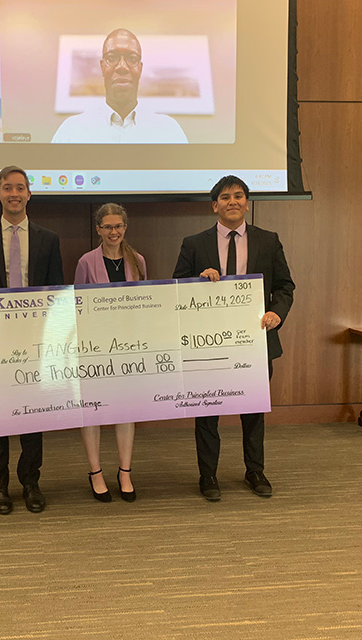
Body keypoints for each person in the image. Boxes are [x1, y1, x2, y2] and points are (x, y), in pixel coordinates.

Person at [172, 176, 295, 501]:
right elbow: (176, 287)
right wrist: (198, 280)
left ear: (247, 203)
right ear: (215, 205)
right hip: (209, 344)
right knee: (207, 414)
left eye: (239, 196)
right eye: (225, 197)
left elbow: (284, 286)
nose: (233, 202)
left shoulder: (268, 240)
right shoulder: (194, 243)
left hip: (254, 341)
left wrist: (277, 313)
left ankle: (255, 471)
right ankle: (208, 476)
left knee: (253, 413)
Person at [0, 166, 64, 515]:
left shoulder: (48, 239)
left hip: (35, 344)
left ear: (29, 194)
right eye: (7, 188)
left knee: (33, 416)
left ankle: (31, 483)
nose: (14, 194)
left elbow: (56, 293)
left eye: (20, 188)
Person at [73, 203, 147, 503]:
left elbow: (144, 303)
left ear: (125, 228)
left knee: (125, 410)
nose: (114, 231)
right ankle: (95, 472)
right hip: (94, 349)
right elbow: (76, 306)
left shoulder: (138, 260)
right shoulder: (86, 262)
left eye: (118, 226)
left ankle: (125, 472)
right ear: (98, 230)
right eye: (108, 227)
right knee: (92, 410)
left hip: (128, 347)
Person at [51, 29, 188, 144]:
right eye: (112, 58)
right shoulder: (71, 132)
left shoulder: (169, 132)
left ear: (140, 69)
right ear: (102, 67)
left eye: (132, 58)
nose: (122, 67)